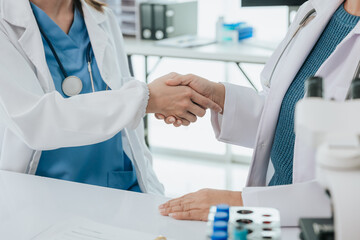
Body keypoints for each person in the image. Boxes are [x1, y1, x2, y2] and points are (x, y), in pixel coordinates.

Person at [158, 0, 360, 225]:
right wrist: (217, 96)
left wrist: (240, 203)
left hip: (332, 227)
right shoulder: (315, 9)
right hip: (277, 214)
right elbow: (282, 111)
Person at [0, 0, 221, 194]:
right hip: (44, 194)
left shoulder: (102, 16)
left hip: (121, 186)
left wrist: (153, 100)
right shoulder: (5, 23)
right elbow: (37, 122)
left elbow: (124, 99)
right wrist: (147, 99)